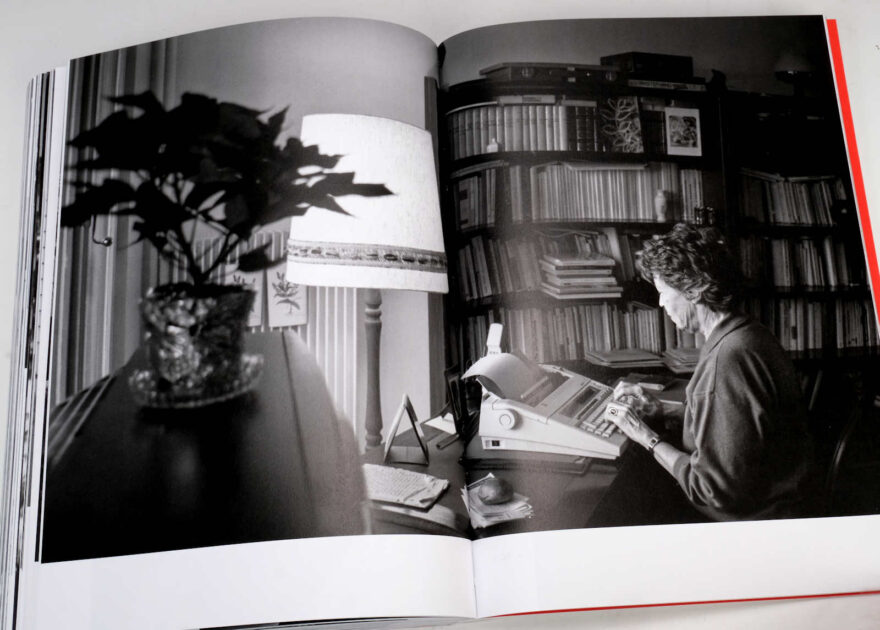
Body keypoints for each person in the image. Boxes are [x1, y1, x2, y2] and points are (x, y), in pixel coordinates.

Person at [605, 223, 816, 521]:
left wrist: (646, 436)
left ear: (694, 289)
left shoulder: (728, 360)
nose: (661, 303)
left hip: (757, 522)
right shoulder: (747, 333)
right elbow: (738, 425)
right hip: (783, 504)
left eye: (663, 292)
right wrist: (662, 411)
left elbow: (710, 491)